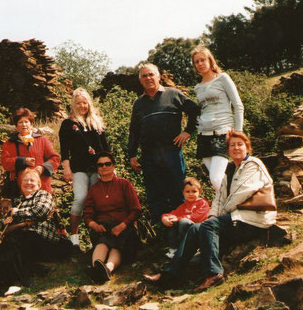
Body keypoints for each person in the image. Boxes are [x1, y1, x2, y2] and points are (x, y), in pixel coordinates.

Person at [143, 131, 277, 292]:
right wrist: (213, 216)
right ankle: (169, 276)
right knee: (195, 228)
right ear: (227, 149)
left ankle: (213, 273)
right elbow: (219, 198)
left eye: (240, 144)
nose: (236, 148)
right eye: (232, 145)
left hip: (253, 219)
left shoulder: (253, 165)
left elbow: (240, 194)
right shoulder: (231, 169)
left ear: (247, 148)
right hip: (237, 217)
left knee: (207, 226)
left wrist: (216, 219)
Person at [0, 169, 70, 296]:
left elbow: (41, 211)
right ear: (21, 183)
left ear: (38, 184)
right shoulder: (17, 202)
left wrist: (17, 214)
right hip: (21, 240)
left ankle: (18, 282)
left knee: (18, 241)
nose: (28, 183)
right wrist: (5, 222)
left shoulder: (43, 195)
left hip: (43, 242)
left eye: (32, 180)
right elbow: (2, 226)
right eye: (25, 180)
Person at [127, 63, 200, 224]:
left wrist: (188, 131)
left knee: (178, 193)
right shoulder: (139, 103)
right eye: (144, 76)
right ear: (140, 80)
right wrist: (131, 154)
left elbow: (195, 110)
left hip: (172, 153)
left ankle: (184, 231)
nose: (148, 78)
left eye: (151, 74)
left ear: (159, 76)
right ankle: (161, 239)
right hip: (149, 157)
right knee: (155, 196)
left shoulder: (173, 94)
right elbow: (134, 131)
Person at [59, 88, 109, 248]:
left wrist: (109, 167)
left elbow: (106, 147)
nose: (82, 106)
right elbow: (64, 149)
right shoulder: (68, 124)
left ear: (89, 103)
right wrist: (66, 168)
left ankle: (97, 236)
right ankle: (74, 236)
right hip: (79, 167)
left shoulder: (96, 123)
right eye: (78, 103)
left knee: (98, 201)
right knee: (80, 198)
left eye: (84, 102)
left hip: (98, 168)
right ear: (73, 105)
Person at [191, 45, 244, 191]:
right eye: (197, 62)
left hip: (223, 133)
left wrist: (238, 134)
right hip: (204, 136)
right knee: (219, 180)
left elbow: (238, 105)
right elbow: (202, 111)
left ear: (210, 60)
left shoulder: (222, 78)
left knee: (216, 179)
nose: (200, 64)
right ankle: (227, 212)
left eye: (203, 60)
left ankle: (235, 209)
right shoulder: (197, 87)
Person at [84, 152, 142, 283]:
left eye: (107, 163)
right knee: (103, 242)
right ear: (97, 169)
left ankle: (107, 269)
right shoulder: (93, 189)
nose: (104, 167)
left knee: (117, 244)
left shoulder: (124, 184)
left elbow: (136, 210)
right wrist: (94, 225)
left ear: (113, 166)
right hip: (103, 228)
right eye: (100, 165)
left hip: (124, 226)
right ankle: (97, 269)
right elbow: (87, 214)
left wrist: (122, 226)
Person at [1, 108, 60, 196]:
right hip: (19, 188)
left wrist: (42, 168)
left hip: (41, 187)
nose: (24, 125)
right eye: (20, 122)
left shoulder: (42, 140)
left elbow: (55, 158)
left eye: (26, 122)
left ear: (31, 124)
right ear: (16, 126)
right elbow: (5, 163)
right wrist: (22, 161)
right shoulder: (9, 144)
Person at [161, 176, 210, 259]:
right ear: (183, 193)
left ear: (200, 192)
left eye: (194, 191)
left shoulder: (203, 203)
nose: (190, 194)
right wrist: (164, 218)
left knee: (184, 222)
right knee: (171, 222)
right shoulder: (183, 206)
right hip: (185, 233)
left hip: (199, 230)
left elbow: (196, 217)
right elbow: (173, 214)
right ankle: (174, 249)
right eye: (187, 191)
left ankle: (192, 249)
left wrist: (179, 218)